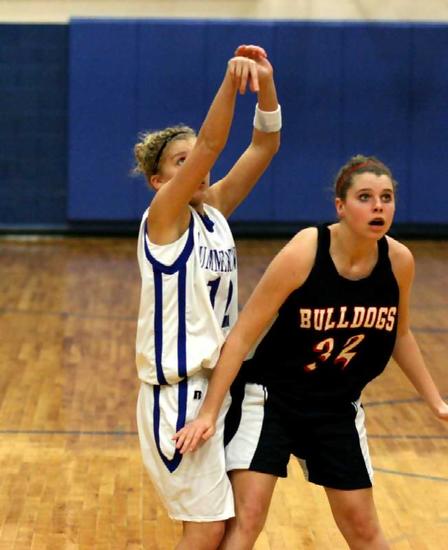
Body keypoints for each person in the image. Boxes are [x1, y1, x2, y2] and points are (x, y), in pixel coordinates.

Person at [174, 155, 448, 549]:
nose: (378, 207)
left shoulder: (399, 261)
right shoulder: (306, 250)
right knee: (247, 520)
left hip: (336, 406)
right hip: (271, 399)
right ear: (340, 206)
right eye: (365, 197)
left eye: (386, 197)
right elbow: (240, 337)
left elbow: (400, 333)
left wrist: (436, 402)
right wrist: (209, 412)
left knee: (364, 529)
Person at [133, 44, 280, 550]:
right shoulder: (163, 219)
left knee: (231, 526)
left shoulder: (212, 211)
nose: (198, 167)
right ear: (158, 181)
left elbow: (264, 146)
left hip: (220, 387)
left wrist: (265, 84)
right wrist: (229, 82)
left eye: (194, 159)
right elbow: (213, 145)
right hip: (175, 394)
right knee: (206, 530)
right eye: (183, 161)